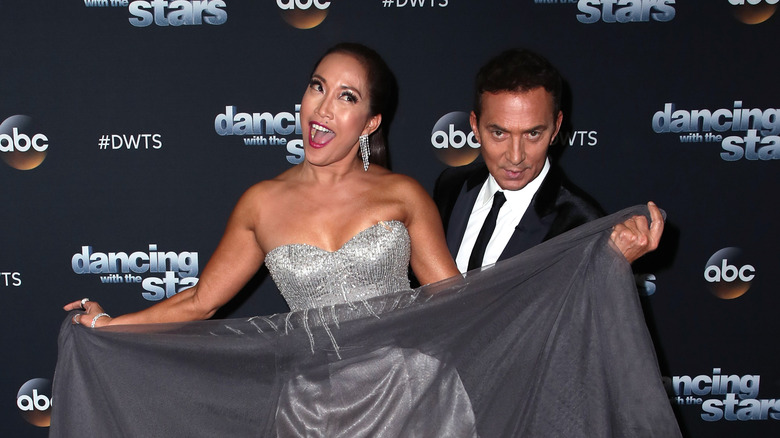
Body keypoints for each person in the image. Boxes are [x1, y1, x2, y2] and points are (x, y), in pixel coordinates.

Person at [54, 43, 680, 437]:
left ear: (370, 122)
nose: (323, 106)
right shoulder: (260, 202)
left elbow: (457, 302)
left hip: (411, 401)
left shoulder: (405, 195)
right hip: (307, 409)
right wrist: (114, 327)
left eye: (346, 96)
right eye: (317, 86)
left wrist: (602, 261)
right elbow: (199, 304)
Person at [434, 48, 662, 273]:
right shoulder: (452, 186)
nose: (516, 156)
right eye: (499, 133)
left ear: (556, 128)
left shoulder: (583, 225)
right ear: (475, 126)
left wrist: (609, 269)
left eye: (533, 134)